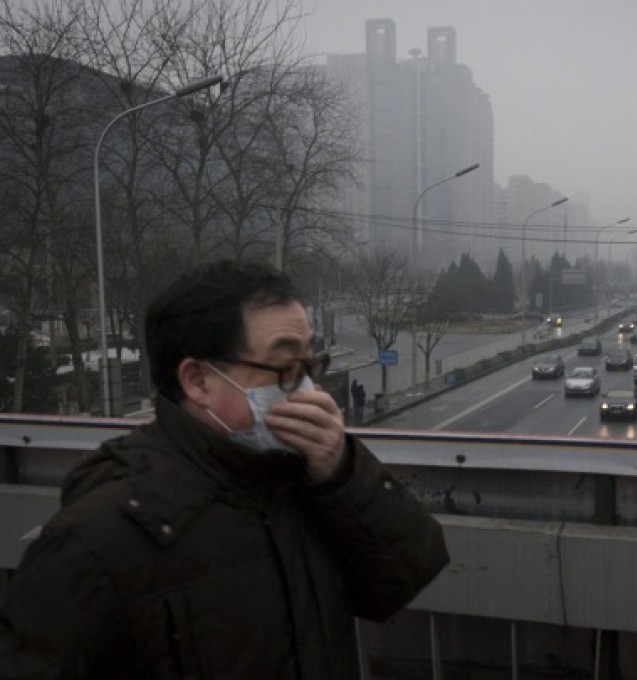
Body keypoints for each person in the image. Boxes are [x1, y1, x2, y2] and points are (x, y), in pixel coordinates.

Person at [0, 260, 449, 678]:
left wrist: (342, 471)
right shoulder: (97, 536)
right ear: (198, 381)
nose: (310, 390)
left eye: (311, 365)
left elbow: (406, 576)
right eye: (285, 367)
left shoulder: (304, 480)